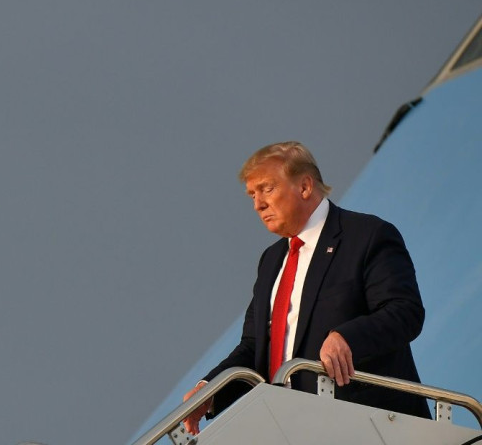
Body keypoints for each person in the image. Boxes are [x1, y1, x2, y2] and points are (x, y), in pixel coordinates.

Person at [182, 141, 430, 435]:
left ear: (304, 187)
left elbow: (404, 312)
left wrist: (346, 337)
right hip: (289, 429)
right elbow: (254, 347)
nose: (257, 204)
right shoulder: (271, 260)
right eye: (252, 194)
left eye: (267, 188)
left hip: (369, 426)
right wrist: (210, 389)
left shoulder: (367, 236)